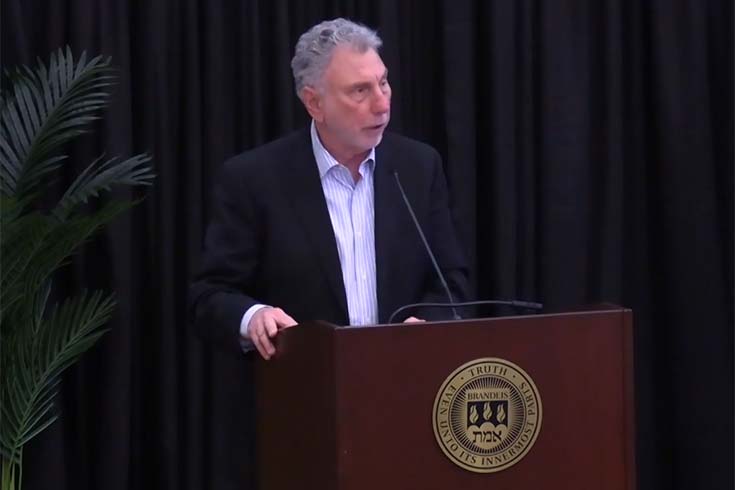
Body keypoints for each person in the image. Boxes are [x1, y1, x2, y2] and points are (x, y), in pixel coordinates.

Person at [189, 18, 469, 360]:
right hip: (304, 390)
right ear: (314, 103)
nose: (382, 104)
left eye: (383, 83)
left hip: (404, 383)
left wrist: (429, 320)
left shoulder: (418, 167)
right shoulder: (254, 179)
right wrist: (253, 316)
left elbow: (450, 281)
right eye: (360, 90)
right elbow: (210, 295)